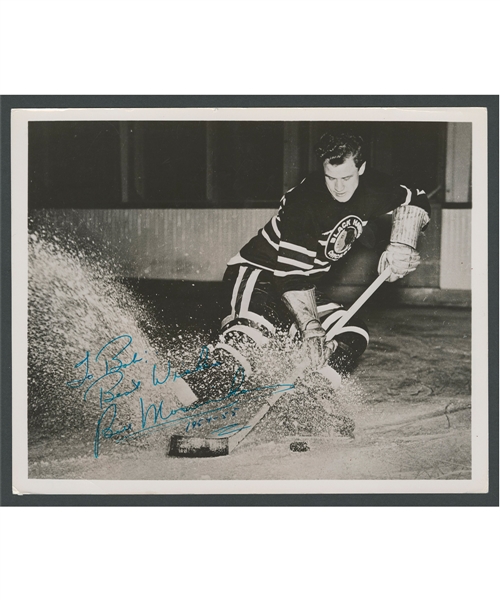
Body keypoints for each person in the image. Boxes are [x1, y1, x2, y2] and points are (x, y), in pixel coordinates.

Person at [182, 131, 431, 408]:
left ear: (360, 168)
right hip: (260, 276)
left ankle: (307, 401)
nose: (338, 187)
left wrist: (401, 244)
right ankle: (166, 400)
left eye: (346, 178)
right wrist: (311, 328)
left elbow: (416, 198)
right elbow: (292, 277)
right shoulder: (305, 202)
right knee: (243, 351)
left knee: (350, 334)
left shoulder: (375, 188)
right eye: (330, 177)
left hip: (302, 288)